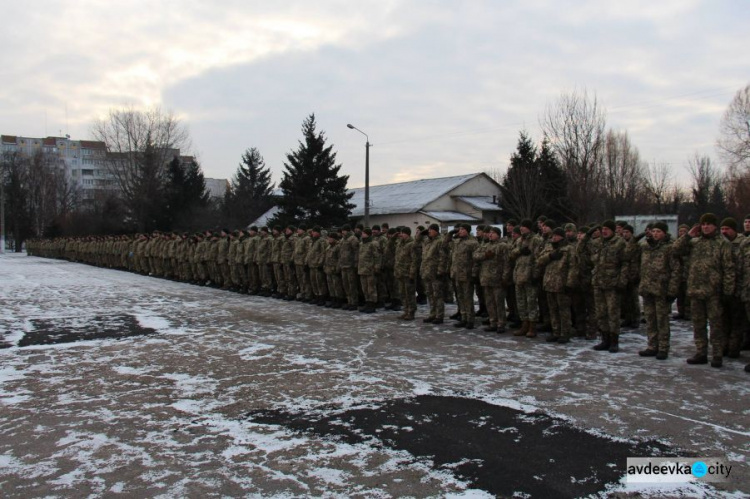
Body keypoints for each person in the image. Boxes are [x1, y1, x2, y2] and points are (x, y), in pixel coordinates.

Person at [673, 213, 735, 368]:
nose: (706, 227)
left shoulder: (723, 244)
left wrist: (728, 291)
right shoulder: (695, 242)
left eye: (709, 224)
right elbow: (675, 249)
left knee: (716, 325)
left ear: (715, 226)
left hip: (714, 292)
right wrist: (688, 236)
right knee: (698, 324)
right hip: (695, 290)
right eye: (703, 224)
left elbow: (729, 269)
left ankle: (717, 354)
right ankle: (701, 352)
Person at [637, 222, 681, 360]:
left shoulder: (669, 248)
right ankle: (652, 346)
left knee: (662, 320)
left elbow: (676, 270)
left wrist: (672, 290)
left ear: (664, 233)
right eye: (654, 231)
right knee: (650, 320)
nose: (655, 234)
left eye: (658, 231)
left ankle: (663, 347)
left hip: (662, 290)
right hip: (647, 289)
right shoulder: (646, 247)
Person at [590, 220, 629, 353]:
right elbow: (582, 250)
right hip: (599, 282)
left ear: (613, 230)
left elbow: (625, 263)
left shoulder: (620, 243)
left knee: (613, 313)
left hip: (613, 283)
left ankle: (614, 341)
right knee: (601, 313)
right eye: (603, 229)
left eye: (607, 229)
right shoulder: (599, 242)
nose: (604, 231)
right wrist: (589, 233)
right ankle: (604, 339)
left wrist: (622, 281)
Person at [510, 219, 543, 337]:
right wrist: (519, 250)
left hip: (529, 275)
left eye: (524, 226)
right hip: (519, 275)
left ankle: (532, 327)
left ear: (529, 227)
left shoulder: (536, 240)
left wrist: (535, 275)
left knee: (531, 302)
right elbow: (511, 253)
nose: (521, 228)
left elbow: (538, 259)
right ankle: (524, 324)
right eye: (521, 226)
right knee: (521, 302)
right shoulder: (519, 240)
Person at [451, 224, 479, 329]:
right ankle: (463, 317)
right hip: (457, 274)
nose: (460, 231)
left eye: (462, 229)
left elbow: (476, 260)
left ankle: (470, 319)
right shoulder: (457, 242)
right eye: (459, 229)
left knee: (468, 298)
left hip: (467, 275)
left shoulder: (473, 243)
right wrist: (451, 233)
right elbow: (445, 244)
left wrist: (474, 273)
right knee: (460, 297)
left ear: (467, 231)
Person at [421, 224, 449, 324]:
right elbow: (417, 242)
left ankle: (439, 315)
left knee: (438, 295)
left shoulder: (440, 241)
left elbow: (443, 258)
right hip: (427, 272)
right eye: (428, 230)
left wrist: (440, 271)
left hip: (435, 272)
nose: (429, 232)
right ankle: (432, 314)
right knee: (430, 294)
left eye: (431, 230)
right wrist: (421, 234)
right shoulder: (428, 241)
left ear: (436, 231)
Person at [394, 227, 419, 320]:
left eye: (403, 233)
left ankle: (411, 312)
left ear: (407, 234)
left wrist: (412, 273)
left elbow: (414, 260)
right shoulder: (400, 243)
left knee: (410, 294)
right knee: (402, 293)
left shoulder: (412, 244)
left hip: (408, 273)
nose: (401, 235)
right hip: (400, 273)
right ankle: (406, 311)